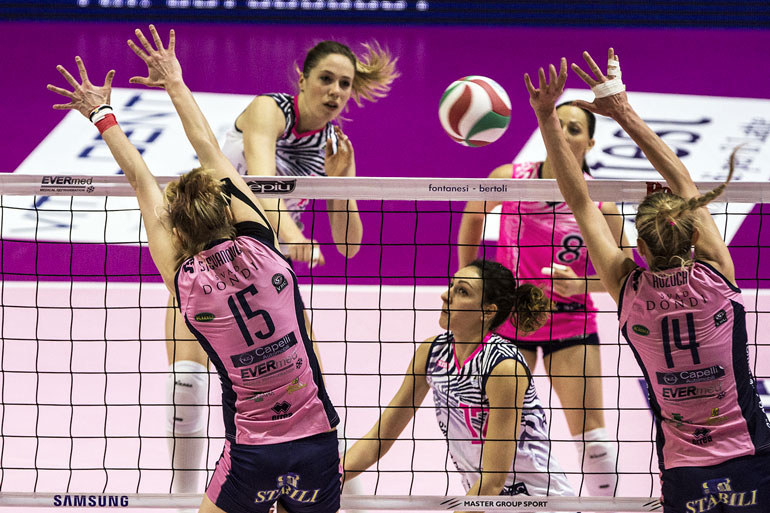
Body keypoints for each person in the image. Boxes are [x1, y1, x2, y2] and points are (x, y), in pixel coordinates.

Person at [48, 26, 342, 513]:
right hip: (318, 442)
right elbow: (209, 147)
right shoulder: (264, 245)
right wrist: (174, 80)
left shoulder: (185, 282)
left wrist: (102, 114)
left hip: (252, 454)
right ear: (229, 209)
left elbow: (141, 180)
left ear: (178, 232)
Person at [524, 48, 770, 512]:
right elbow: (683, 182)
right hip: (753, 454)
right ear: (692, 236)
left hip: (683, 468)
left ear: (638, 245)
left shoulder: (628, 289)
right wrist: (622, 110)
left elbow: (579, 201)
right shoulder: (716, 275)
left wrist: (546, 116)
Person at [163, 39, 399, 494]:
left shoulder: (332, 147)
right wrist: (293, 235)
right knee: (185, 385)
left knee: (311, 398)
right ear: (303, 80)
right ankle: (180, 499)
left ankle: (340, 497)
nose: (335, 91)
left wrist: (340, 183)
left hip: (261, 275)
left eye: (345, 84)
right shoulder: (268, 111)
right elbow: (259, 185)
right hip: (205, 258)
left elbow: (349, 244)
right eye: (326, 79)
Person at [458, 106, 631, 496]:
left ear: (590, 143)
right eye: (557, 124)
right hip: (508, 323)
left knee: (594, 439)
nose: (564, 132)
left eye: (574, 128)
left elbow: (626, 277)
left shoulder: (600, 201)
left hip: (569, 321)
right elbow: (472, 216)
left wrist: (582, 285)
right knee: (496, 432)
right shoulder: (509, 179)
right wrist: (470, 280)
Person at [343, 259, 575, 501]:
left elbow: (493, 480)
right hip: (486, 502)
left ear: (488, 311)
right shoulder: (432, 352)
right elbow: (378, 439)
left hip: (540, 502)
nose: (445, 295)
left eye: (462, 291)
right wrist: (328, 479)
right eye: (451, 286)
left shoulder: (504, 368)